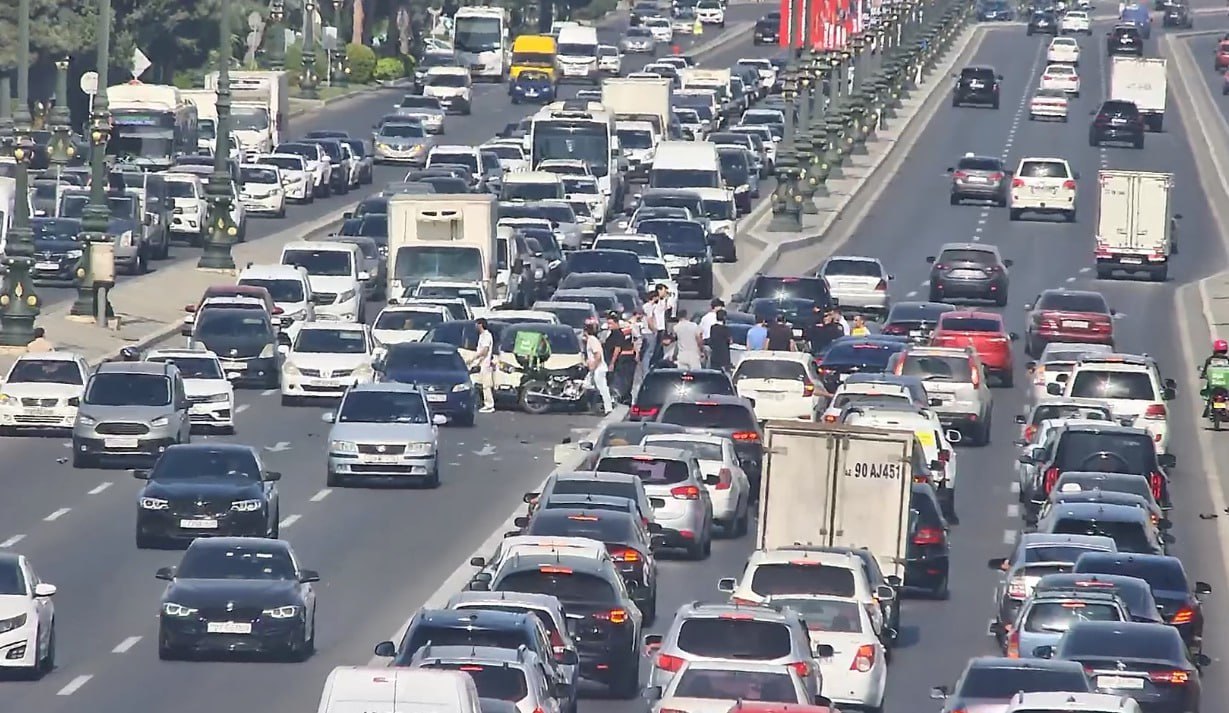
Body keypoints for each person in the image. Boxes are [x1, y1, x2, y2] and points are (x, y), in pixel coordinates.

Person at [584, 322, 614, 414]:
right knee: (587, 385)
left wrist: (594, 366)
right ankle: (593, 406)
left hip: (599, 368)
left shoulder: (592, 340)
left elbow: (598, 355)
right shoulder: (591, 340)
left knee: (602, 388)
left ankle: (608, 407)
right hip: (595, 368)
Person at [605, 313, 635, 402]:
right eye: (608, 323)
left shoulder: (618, 334)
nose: (609, 326)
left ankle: (617, 397)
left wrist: (612, 363)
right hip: (612, 359)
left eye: (610, 323)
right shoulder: (612, 333)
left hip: (617, 361)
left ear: (616, 323)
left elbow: (617, 349)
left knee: (616, 380)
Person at [470, 318, 496, 414]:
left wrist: (474, 358)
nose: (475, 326)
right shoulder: (482, 336)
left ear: (480, 325)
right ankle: (478, 403)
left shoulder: (486, 335)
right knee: (474, 382)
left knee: (486, 385)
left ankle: (489, 405)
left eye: (476, 324)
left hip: (485, 364)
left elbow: (485, 350)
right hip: (480, 364)